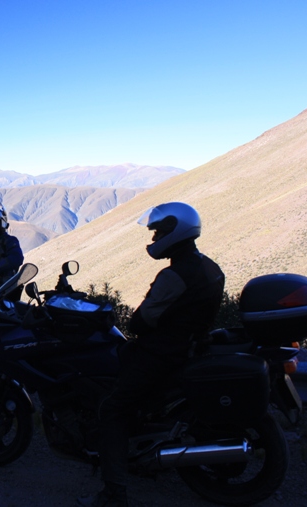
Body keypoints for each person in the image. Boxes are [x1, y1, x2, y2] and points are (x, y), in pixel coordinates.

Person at [80, 202, 225, 507]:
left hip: (162, 354)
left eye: (159, 231)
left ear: (176, 231)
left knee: (112, 409)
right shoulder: (210, 267)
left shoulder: (174, 276)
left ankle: (113, 494)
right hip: (190, 348)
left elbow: (140, 322)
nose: (155, 236)